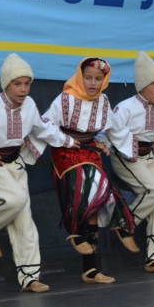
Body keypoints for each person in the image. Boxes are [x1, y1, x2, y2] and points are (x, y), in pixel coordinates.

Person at [0, 53, 79, 293]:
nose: (23, 89)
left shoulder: (29, 105)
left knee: (25, 222)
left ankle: (29, 277)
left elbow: (43, 128)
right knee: (14, 200)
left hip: (16, 164)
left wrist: (68, 141)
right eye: (18, 84)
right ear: (6, 84)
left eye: (27, 83)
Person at [42, 57, 136, 284]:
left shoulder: (103, 101)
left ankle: (91, 269)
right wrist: (64, 140)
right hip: (66, 152)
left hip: (89, 150)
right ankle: (77, 231)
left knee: (96, 201)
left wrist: (107, 143)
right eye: (88, 78)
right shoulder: (65, 99)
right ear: (79, 76)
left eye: (98, 79)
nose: (93, 83)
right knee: (92, 186)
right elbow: (44, 123)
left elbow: (114, 129)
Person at [110, 51, 154, 273]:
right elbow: (110, 130)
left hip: (149, 157)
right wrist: (103, 143)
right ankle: (124, 225)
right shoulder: (126, 107)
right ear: (142, 86)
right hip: (126, 158)